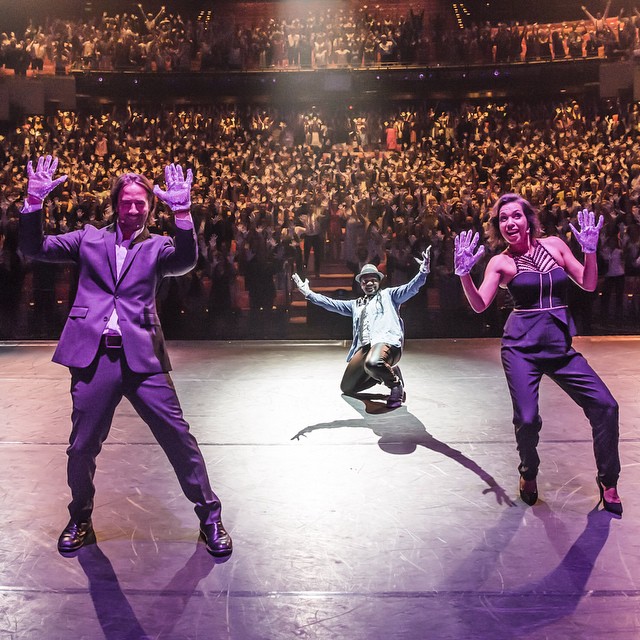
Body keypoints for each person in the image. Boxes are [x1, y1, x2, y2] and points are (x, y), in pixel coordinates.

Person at [19, 155, 233, 555]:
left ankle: (210, 519)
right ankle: (80, 517)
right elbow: (34, 246)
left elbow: (186, 261)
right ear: (116, 204)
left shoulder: (159, 247)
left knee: (178, 439)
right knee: (81, 447)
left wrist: (184, 212)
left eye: (141, 202)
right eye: (126, 202)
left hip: (143, 358)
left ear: (151, 207)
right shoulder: (88, 238)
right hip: (93, 357)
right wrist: (33, 201)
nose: (133, 208)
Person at [453, 193, 622, 515]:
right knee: (528, 420)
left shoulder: (555, 245)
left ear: (528, 219)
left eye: (515, 216)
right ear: (498, 226)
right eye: (503, 219)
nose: (509, 223)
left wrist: (589, 250)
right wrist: (463, 274)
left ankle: (609, 481)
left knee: (606, 406)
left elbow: (587, 283)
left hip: (559, 346)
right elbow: (479, 305)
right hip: (521, 349)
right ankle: (528, 472)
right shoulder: (500, 262)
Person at [292, 248, 430, 409]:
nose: (369, 283)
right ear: (361, 284)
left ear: (379, 282)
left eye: (373, 280)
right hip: (365, 348)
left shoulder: (390, 296)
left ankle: (395, 386)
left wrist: (423, 271)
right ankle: (390, 371)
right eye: (365, 281)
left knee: (373, 363)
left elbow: (411, 287)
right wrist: (308, 293)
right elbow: (329, 303)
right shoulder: (356, 304)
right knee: (348, 388)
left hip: (386, 343)